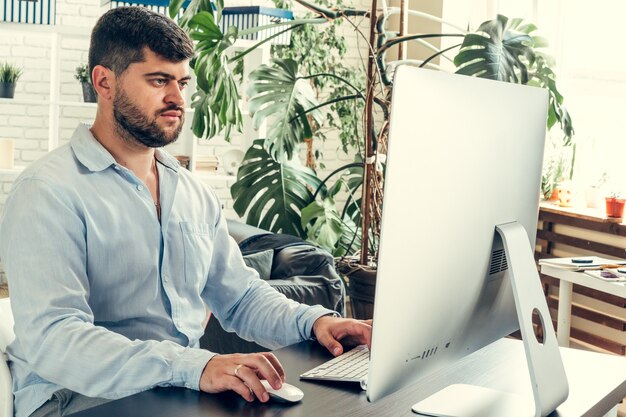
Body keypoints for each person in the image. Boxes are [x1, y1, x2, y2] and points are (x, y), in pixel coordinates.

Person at [0, 7, 372, 417]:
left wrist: (316, 323)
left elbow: (240, 297)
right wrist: (196, 366)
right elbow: (55, 339)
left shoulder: (192, 192)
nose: (178, 98)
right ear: (104, 81)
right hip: (73, 400)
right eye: (159, 80)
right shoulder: (47, 193)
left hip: (175, 390)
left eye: (182, 82)